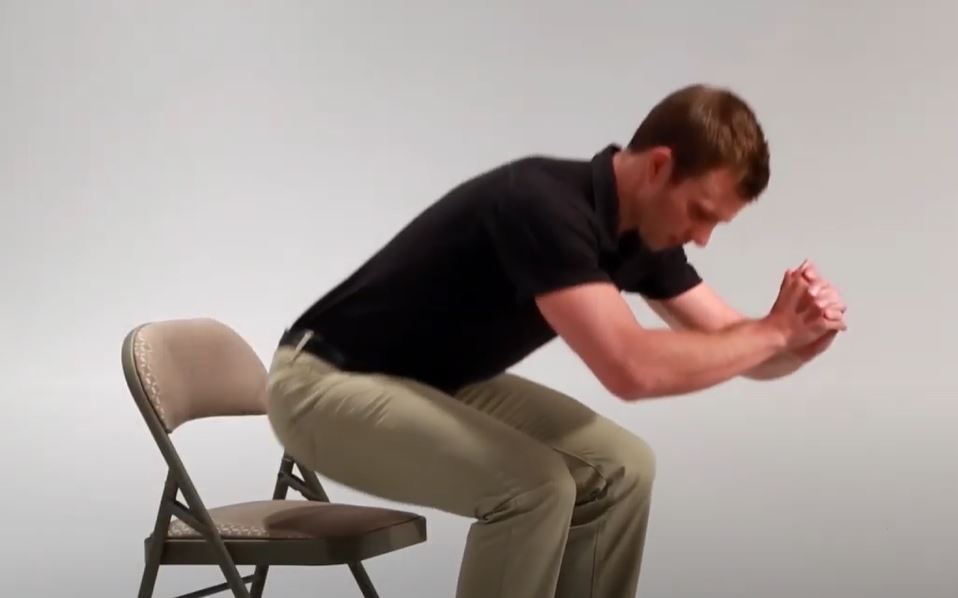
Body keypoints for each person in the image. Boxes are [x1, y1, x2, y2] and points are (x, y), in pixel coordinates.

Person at [265, 83, 847, 598]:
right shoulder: (541, 204)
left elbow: (733, 346)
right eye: (700, 212)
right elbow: (630, 369)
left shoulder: (644, 234)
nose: (702, 237)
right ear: (658, 167)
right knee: (534, 488)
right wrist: (772, 333)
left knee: (624, 467)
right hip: (322, 384)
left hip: (434, 385)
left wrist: (796, 343)